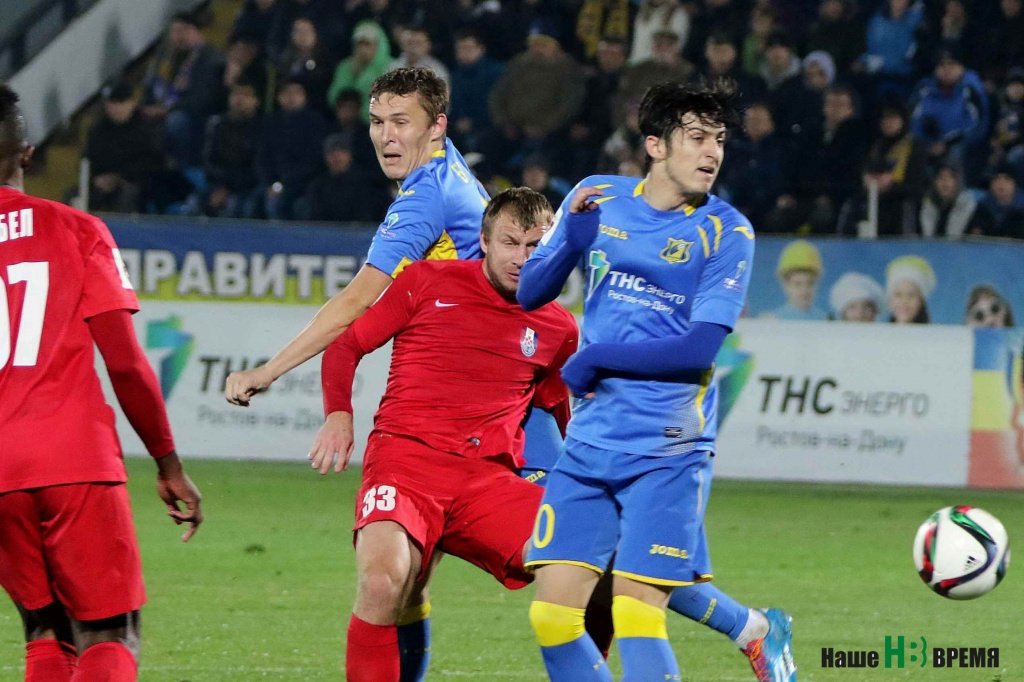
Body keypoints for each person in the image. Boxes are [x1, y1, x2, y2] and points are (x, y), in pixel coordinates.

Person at [225, 66, 526, 680]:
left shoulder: (425, 196)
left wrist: (270, 369)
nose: (386, 136)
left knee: (586, 572)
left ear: (436, 127)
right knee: (403, 583)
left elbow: (357, 301)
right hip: (481, 406)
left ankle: (723, 622)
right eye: (377, 122)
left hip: (485, 416)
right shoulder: (448, 172)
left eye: (400, 122)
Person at [517, 79, 796, 682]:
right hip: (590, 442)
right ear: (655, 144)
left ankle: (756, 632)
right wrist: (569, 244)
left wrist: (599, 358)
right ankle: (755, 630)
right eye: (696, 137)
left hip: (667, 449)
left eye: (719, 140)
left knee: (636, 611)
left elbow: (699, 350)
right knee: (552, 616)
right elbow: (530, 291)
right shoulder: (595, 196)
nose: (712, 152)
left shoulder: (727, 231)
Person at [308, 188, 578, 682]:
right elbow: (346, 346)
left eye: (535, 247)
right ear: (485, 241)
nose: (522, 259)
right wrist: (339, 414)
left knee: (583, 562)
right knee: (384, 581)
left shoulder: (559, 328)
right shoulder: (425, 281)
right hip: (405, 464)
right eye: (510, 243)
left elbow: (553, 412)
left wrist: (570, 479)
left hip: (486, 483)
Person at [0, 84, 203, 681]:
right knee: (110, 633)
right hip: (72, 456)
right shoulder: (76, 230)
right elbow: (126, 364)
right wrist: (167, 463)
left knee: (46, 631)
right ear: (28, 153)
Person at [765, 239, 828, 320]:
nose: (804, 290)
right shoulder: (773, 320)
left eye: (810, 283)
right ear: (785, 285)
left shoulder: (825, 320)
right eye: (797, 284)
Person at [885, 254, 935, 324]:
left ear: (921, 301)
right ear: (890, 301)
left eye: (911, 295)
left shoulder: (934, 331)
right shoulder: (877, 330)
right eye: (898, 295)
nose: (904, 301)